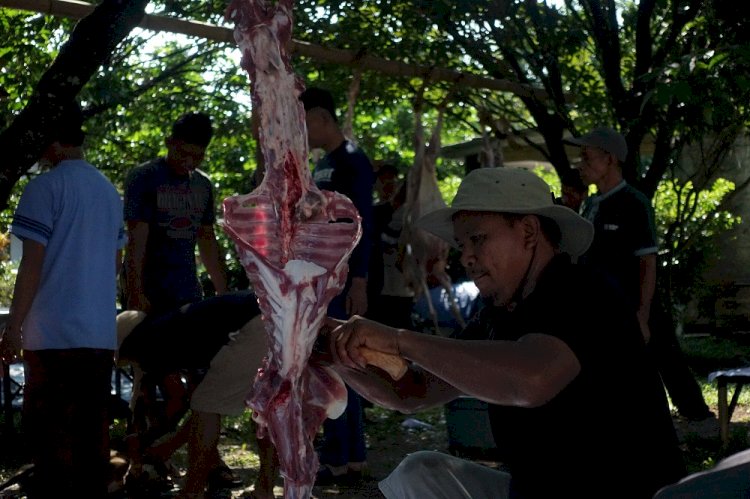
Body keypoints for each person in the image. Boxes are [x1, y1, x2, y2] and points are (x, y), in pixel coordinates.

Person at [324, 167, 687, 498]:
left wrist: (400, 339)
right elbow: (411, 390)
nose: (465, 257)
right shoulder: (498, 315)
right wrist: (324, 346)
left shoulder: (584, 292)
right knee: (422, 473)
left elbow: (532, 379)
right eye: (462, 245)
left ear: (529, 232)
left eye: (477, 239)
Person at [0, 101, 126, 498]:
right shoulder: (108, 191)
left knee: (50, 435)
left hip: (52, 332)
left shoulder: (45, 188)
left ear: (52, 140)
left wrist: (13, 327)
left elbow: (31, 266)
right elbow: (116, 263)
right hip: (97, 332)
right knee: (91, 435)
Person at [567, 126, 714, 421]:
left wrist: (643, 314)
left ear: (610, 159)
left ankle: (699, 419)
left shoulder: (634, 203)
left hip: (634, 302)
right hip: (604, 306)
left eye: (587, 157)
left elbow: (647, 260)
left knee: (665, 358)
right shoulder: (591, 205)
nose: (580, 165)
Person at [116, 290, 279, 499]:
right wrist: (168, 444)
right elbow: (192, 398)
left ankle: (191, 492)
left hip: (251, 324)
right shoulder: (174, 325)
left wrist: (151, 440)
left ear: (128, 347)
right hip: (278, 314)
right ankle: (264, 490)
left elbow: (180, 402)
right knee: (266, 409)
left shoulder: (151, 343)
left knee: (206, 406)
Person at [299, 86, 374, 484]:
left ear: (321, 118)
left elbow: (363, 222)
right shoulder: (323, 163)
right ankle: (347, 456)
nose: (303, 130)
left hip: (346, 279)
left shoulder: (353, 161)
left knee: (337, 361)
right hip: (323, 278)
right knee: (337, 361)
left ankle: (341, 458)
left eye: (305, 121)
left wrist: (359, 278)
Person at [123, 111, 228, 315]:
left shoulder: (202, 185)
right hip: (149, 292)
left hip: (187, 291)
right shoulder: (144, 178)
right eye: (182, 153)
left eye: (196, 157)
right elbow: (136, 239)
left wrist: (222, 290)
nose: (188, 162)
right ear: (169, 142)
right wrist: (135, 292)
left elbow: (207, 239)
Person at [368, 162, 414, 330]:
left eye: (392, 181)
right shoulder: (370, 212)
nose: (390, 185)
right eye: (384, 181)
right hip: (377, 287)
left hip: (400, 287)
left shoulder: (406, 211)